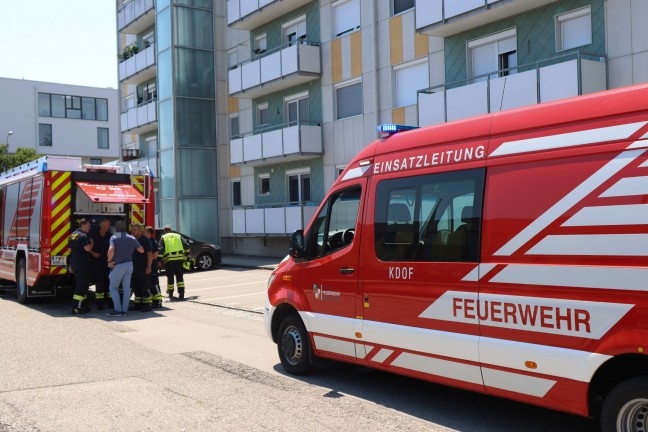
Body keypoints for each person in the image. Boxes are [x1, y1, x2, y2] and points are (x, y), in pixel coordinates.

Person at [106, 221, 143, 317]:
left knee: (113, 287)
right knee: (127, 289)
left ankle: (118, 310)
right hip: (129, 265)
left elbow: (111, 250)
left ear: (117, 228)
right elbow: (141, 250)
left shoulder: (114, 237)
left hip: (118, 265)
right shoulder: (132, 238)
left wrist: (109, 261)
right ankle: (124, 311)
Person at [69, 219, 95, 315]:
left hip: (75, 264)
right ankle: (76, 307)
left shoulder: (72, 235)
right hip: (83, 265)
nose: (89, 228)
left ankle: (83, 305)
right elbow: (87, 248)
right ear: (83, 225)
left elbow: (69, 250)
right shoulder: (84, 236)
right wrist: (92, 243)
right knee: (82, 286)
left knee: (80, 285)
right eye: (88, 226)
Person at [159, 224, 189, 300]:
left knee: (170, 277)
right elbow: (186, 244)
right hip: (179, 259)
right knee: (179, 277)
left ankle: (171, 293)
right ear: (171, 230)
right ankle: (181, 293)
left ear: (164, 231)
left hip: (169, 260)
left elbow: (161, 249)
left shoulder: (163, 237)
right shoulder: (178, 236)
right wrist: (187, 253)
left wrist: (159, 260)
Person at [89, 219, 112, 310]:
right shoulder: (93, 235)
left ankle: (111, 303)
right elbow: (87, 247)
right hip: (97, 262)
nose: (109, 226)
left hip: (108, 262)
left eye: (109, 224)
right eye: (107, 224)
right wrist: (93, 253)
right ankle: (100, 304)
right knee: (99, 283)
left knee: (110, 283)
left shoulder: (110, 235)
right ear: (102, 225)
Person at [130, 224, 153, 312]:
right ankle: (138, 304)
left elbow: (149, 254)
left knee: (144, 287)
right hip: (134, 268)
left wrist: (148, 267)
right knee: (135, 287)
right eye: (132, 230)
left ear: (140, 231)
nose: (132, 231)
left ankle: (147, 305)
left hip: (143, 268)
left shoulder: (145, 240)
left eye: (135, 230)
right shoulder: (132, 240)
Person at [144, 226, 163, 308]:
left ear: (149, 233)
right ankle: (152, 300)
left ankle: (158, 301)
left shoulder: (152, 241)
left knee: (154, 283)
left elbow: (155, 254)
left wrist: (147, 260)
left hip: (152, 266)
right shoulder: (145, 241)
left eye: (144, 231)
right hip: (148, 266)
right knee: (149, 283)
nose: (143, 233)